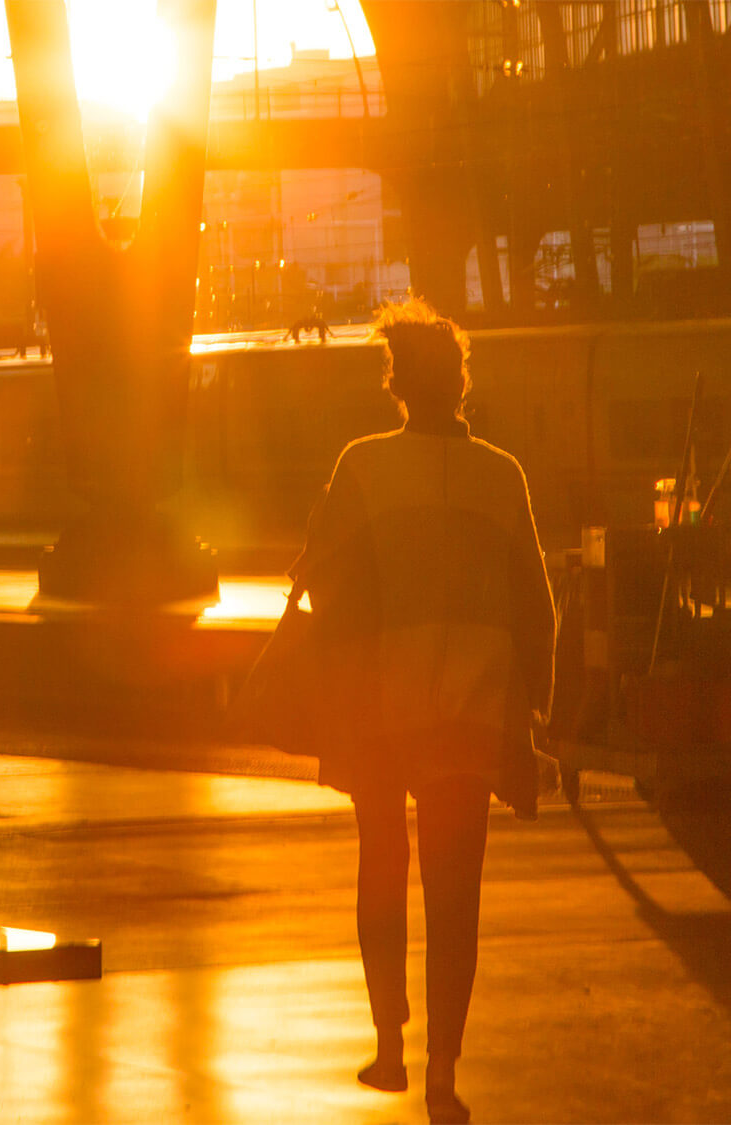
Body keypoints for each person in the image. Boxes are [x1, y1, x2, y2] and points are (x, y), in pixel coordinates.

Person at [288, 296, 555, 1124]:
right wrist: (532, 716)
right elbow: (537, 608)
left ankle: (391, 1045)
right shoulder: (504, 475)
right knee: (455, 893)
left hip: (379, 710)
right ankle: (444, 1068)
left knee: (381, 868)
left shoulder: (362, 465)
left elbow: (324, 583)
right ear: (461, 384)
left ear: (397, 384)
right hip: (470, 716)